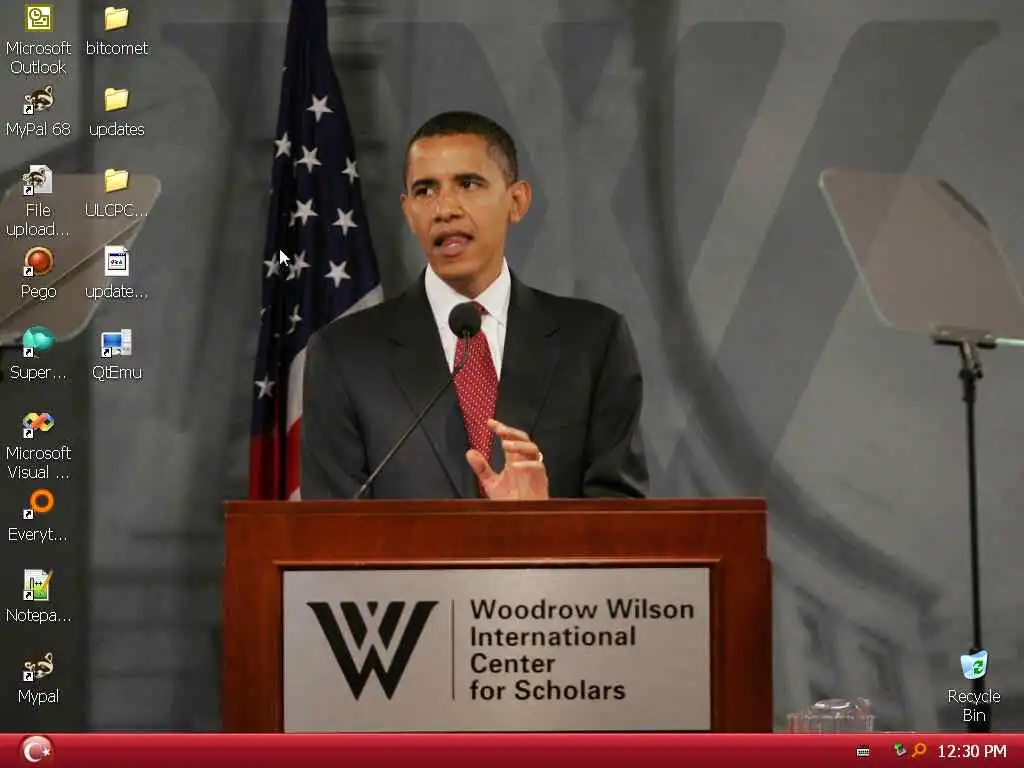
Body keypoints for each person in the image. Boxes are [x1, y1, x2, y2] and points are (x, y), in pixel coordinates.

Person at [301, 111, 647, 500]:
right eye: (425, 191)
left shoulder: (593, 343)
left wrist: (542, 522)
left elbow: (622, 517)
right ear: (409, 212)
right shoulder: (344, 354)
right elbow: (331, 526)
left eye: (468, 184)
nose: (444, 209)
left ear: (517, 201)